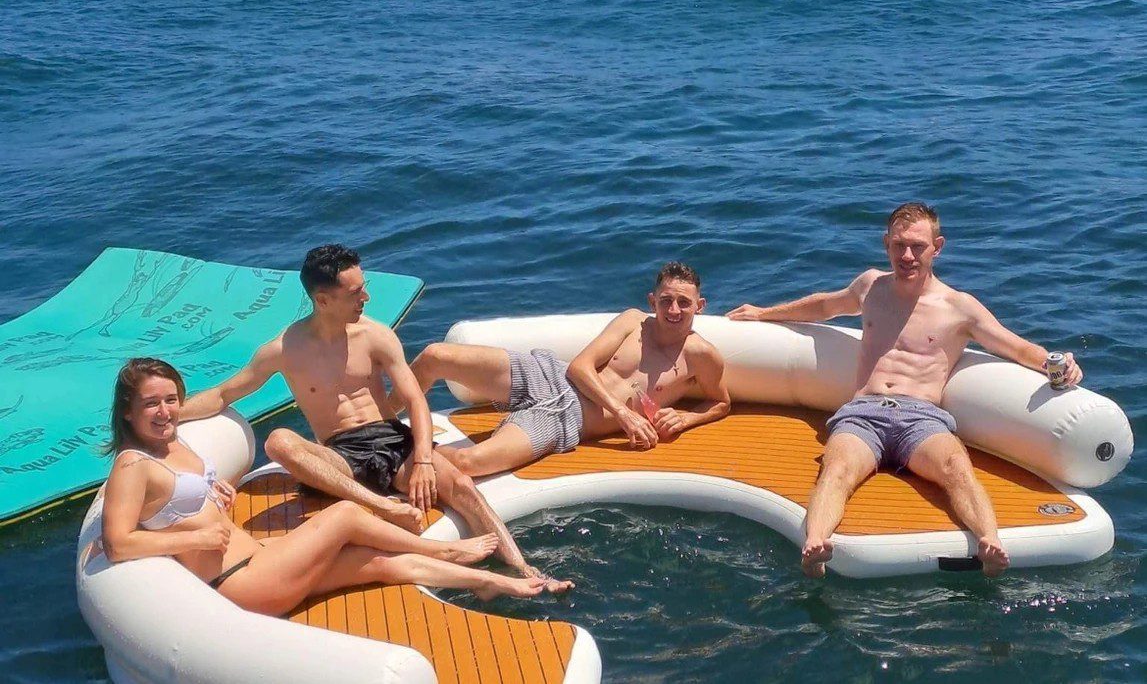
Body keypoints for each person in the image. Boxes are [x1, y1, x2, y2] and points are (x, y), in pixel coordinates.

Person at [182, 245, 572, 593]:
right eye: (355, 293)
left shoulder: (376, 336)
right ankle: (382, 505)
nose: (366, 297)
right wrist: (172, 415)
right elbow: (223, 394)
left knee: (463, 486)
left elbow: (415, 399)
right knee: (278, 441)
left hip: (391, 440)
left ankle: (521, 568)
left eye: (363, 287)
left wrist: (421, 460)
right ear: (323, 299)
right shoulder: (284, 349)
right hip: (339, 453)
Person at [727, 202, 1082, 578]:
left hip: (922, 418)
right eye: (899, 246)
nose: (907, 256)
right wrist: (763, 313)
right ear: (886, 244)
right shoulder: (870, 286)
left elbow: (1014, 346)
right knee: (836, 468)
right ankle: (815, 544)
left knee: (956, 468)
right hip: (863, 413)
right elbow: (824, 307)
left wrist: (1054, 363)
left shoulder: (960, 307)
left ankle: (989, 543)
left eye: (917, 246)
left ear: (937, 247)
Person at [101, 358, 546, 616]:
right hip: (240, 582)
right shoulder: (131, 465)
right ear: (127, 412)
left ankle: (487, 582)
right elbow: (118, 544)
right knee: (347, 515)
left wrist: (210, 490)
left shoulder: (173, 445)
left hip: (262, 561)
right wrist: (197, 534)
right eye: (151, 404)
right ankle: (445, 550)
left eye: (171, 400)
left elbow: (170, 500)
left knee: (381, 564)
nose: (164, 412)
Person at [406, 262, 731, 477]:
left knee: (468, 462)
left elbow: (721, 402)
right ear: (652, 301)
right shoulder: (633, 321)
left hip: (564, 420)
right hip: (550, 375)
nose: (674, 310)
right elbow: (580, 367)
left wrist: (688, 418)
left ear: (699, 306)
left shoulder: (702, 355)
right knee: (435, 355)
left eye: (684, 303)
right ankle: (379, 421)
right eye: (666, 301)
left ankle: (392, 461)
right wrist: (623, 414)